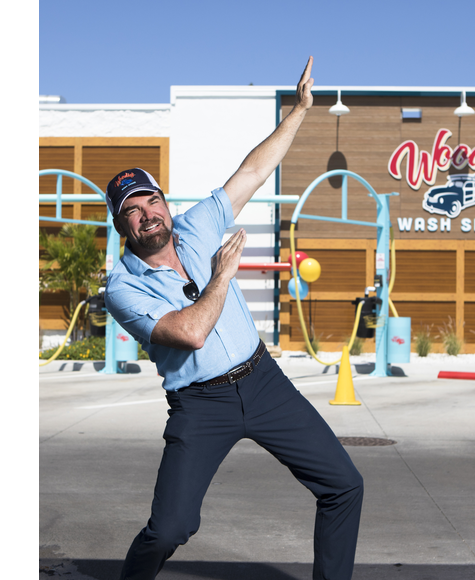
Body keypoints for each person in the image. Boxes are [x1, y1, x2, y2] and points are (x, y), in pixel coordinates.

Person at [103, 57, 363, 580]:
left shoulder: (200, 223)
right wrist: (223, 274)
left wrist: (300, 110)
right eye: (132, 210)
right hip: (202, 405)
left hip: (264, 382)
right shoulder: (122, 287)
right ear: (121, 224)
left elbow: (253, 170)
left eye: (151, 200)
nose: (146, 213)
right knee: (172, 528)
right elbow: (191, 332)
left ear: (165, 205)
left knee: (344, 485)